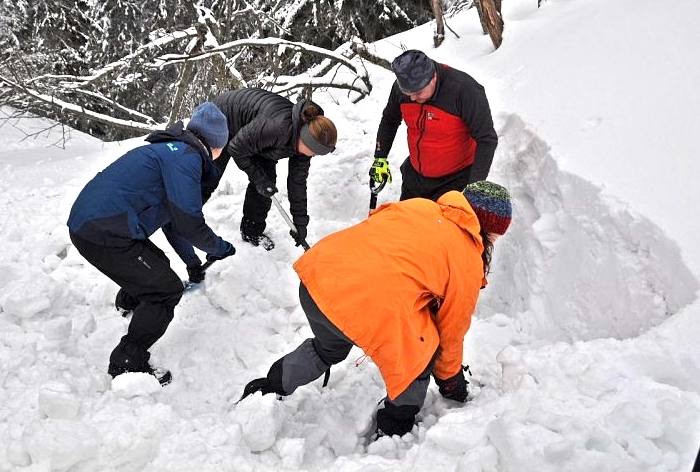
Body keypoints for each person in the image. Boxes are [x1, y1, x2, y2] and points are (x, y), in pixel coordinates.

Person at [241, 181, 513, 437]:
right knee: (422, 350)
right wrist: (451, 384)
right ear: (487, 228)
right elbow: (450, 334)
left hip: (318, 280)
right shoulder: (467, 258)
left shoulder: (419, 205)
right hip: (364, 305)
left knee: (330, 346)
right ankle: (393, 428)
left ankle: (269, 386)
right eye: (497, 234)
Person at [67, 102, 236, 384]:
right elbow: (188, 221)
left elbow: (173, 222)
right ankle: (127, 361)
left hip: (93, 225)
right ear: (217, 144)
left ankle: (128, 303)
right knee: (166, 290)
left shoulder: (174, 151)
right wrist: (219, 248)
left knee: (157, 266)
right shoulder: (186, 158)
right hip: (103, 233)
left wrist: (193, 263)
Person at [204, 88, 338, 251]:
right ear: (305, 140)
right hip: (221, 119)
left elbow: (297, 182)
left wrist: (300, 222)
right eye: (315, 152)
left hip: (254, 134)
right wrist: (259, 179)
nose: (314, 155)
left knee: (267, 184)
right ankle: (185, 220)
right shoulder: (277, 127)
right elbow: (236, 148)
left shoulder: (305, 142)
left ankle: (251, 230)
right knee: (209, 177)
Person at [370, 49, 498, 201]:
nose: (411, 98)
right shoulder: (403, 90)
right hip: (415, 178)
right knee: (406, 223)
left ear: (433, 77)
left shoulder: (464, 90)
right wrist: (380, 156)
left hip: (454, 182)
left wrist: (474, 188)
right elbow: (390, 119)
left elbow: (487, 139)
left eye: (417, 92)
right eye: (408, 92)